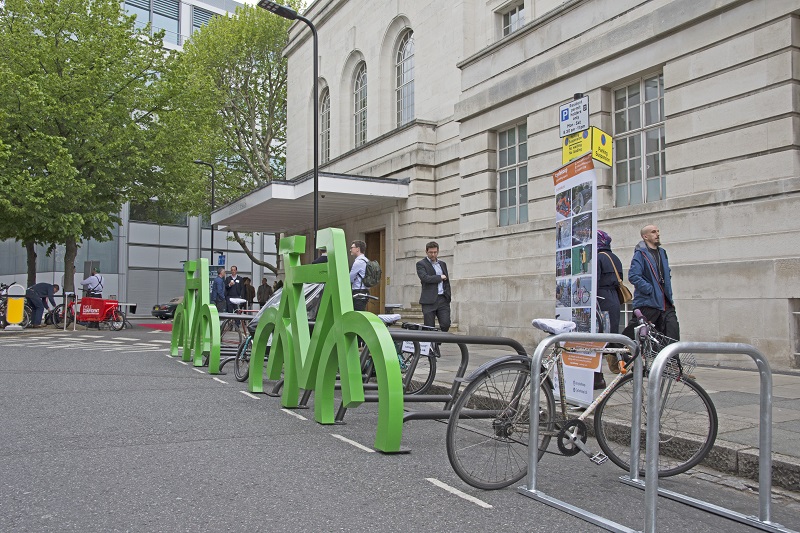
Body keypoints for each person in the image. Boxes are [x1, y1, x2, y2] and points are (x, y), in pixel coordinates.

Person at [622, 224, 680, 342]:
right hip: (648, 302)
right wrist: (649, 289)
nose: (657, 234)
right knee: (635, 332)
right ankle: (615, 350)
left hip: (665, 302)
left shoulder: (662, 253)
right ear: (645, 236)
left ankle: (672, 360)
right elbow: (633, 276)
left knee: (672, 331)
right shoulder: (640, 254)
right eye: (653, 232)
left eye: (658, 231)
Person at [595, 230, 624, 389]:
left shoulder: (599, 258)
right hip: (613, 298)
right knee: (612, 331)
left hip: (602, 298)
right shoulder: (615, 258)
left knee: (600, 336)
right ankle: (619, 362)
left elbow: (595, 281)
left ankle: (599, 374)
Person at [416, 241, 451, 332]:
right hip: (429, 301)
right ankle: (433, 345)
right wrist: (439, 277)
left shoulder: (442, 264)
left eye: (435, 252)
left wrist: (448, 296)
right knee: (429, 328)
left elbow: (446, 281)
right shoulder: (421, 264)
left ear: (438, 252)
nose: (433, 254)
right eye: (431, 252)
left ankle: (437, 342)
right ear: (426, 252)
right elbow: (425, 278)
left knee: (446, 324)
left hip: (442, 299)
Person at [349, 240, 369, 311]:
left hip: (358, 292)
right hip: (365, 291)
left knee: (357, 315)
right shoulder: (366, 260)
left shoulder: (358, 262)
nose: (350, 249)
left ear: (358, 249)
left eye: (352, 247)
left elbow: (350, 278)